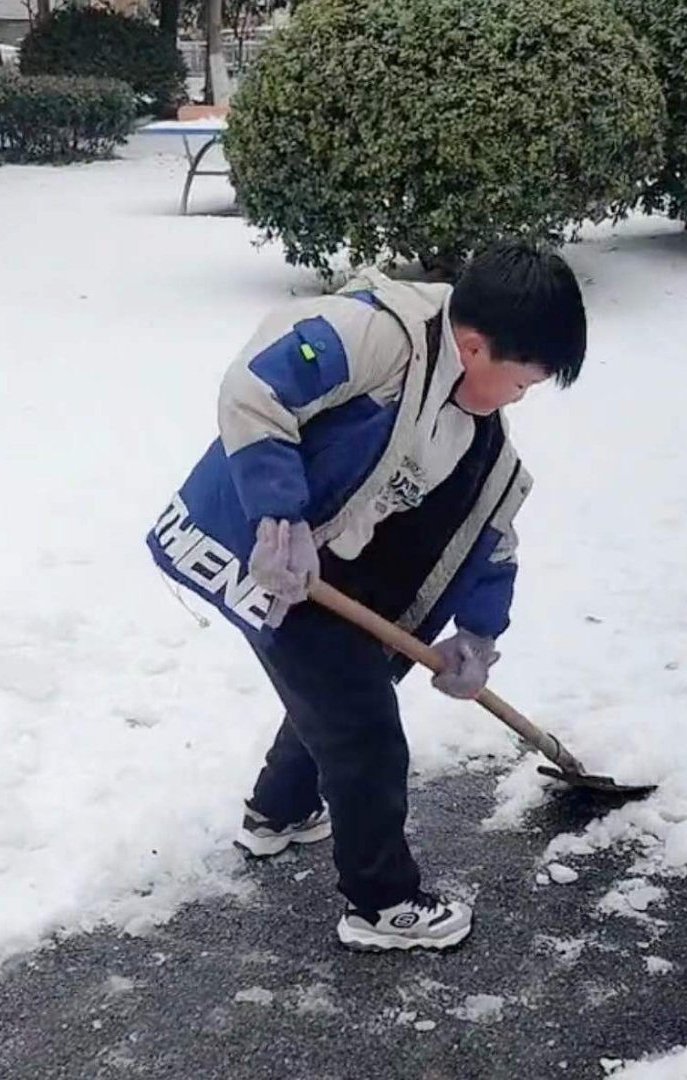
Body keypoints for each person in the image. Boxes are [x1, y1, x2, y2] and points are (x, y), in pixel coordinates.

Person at [147, 241, 587, 951]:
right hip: (263, 549)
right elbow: (255, 387)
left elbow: (490, 532)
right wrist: (276, 513)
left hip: (332, 573)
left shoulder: (478, 438)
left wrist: (479, 635)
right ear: (475, 347)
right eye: (521, 383)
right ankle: (381, 903)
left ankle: (279, 812)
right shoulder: (379, 335)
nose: (518, 399)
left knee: (341, 692)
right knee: (366, 732)